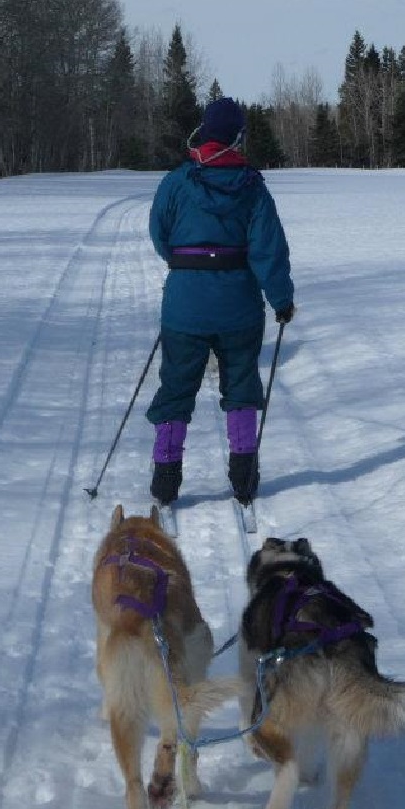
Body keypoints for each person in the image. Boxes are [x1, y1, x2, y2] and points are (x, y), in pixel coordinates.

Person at [145, 96, 295, 507]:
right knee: (241, 386)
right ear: (237, 136)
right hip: (239, 307)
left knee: (176, 388)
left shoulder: (178, 181)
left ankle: (165, 478)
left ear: (204, 131)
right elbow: (269, 250)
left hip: (184, 305)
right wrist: (281, 300)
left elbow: (160, 234)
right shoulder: (252, 186)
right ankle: (244, 476)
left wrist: (185, 265)